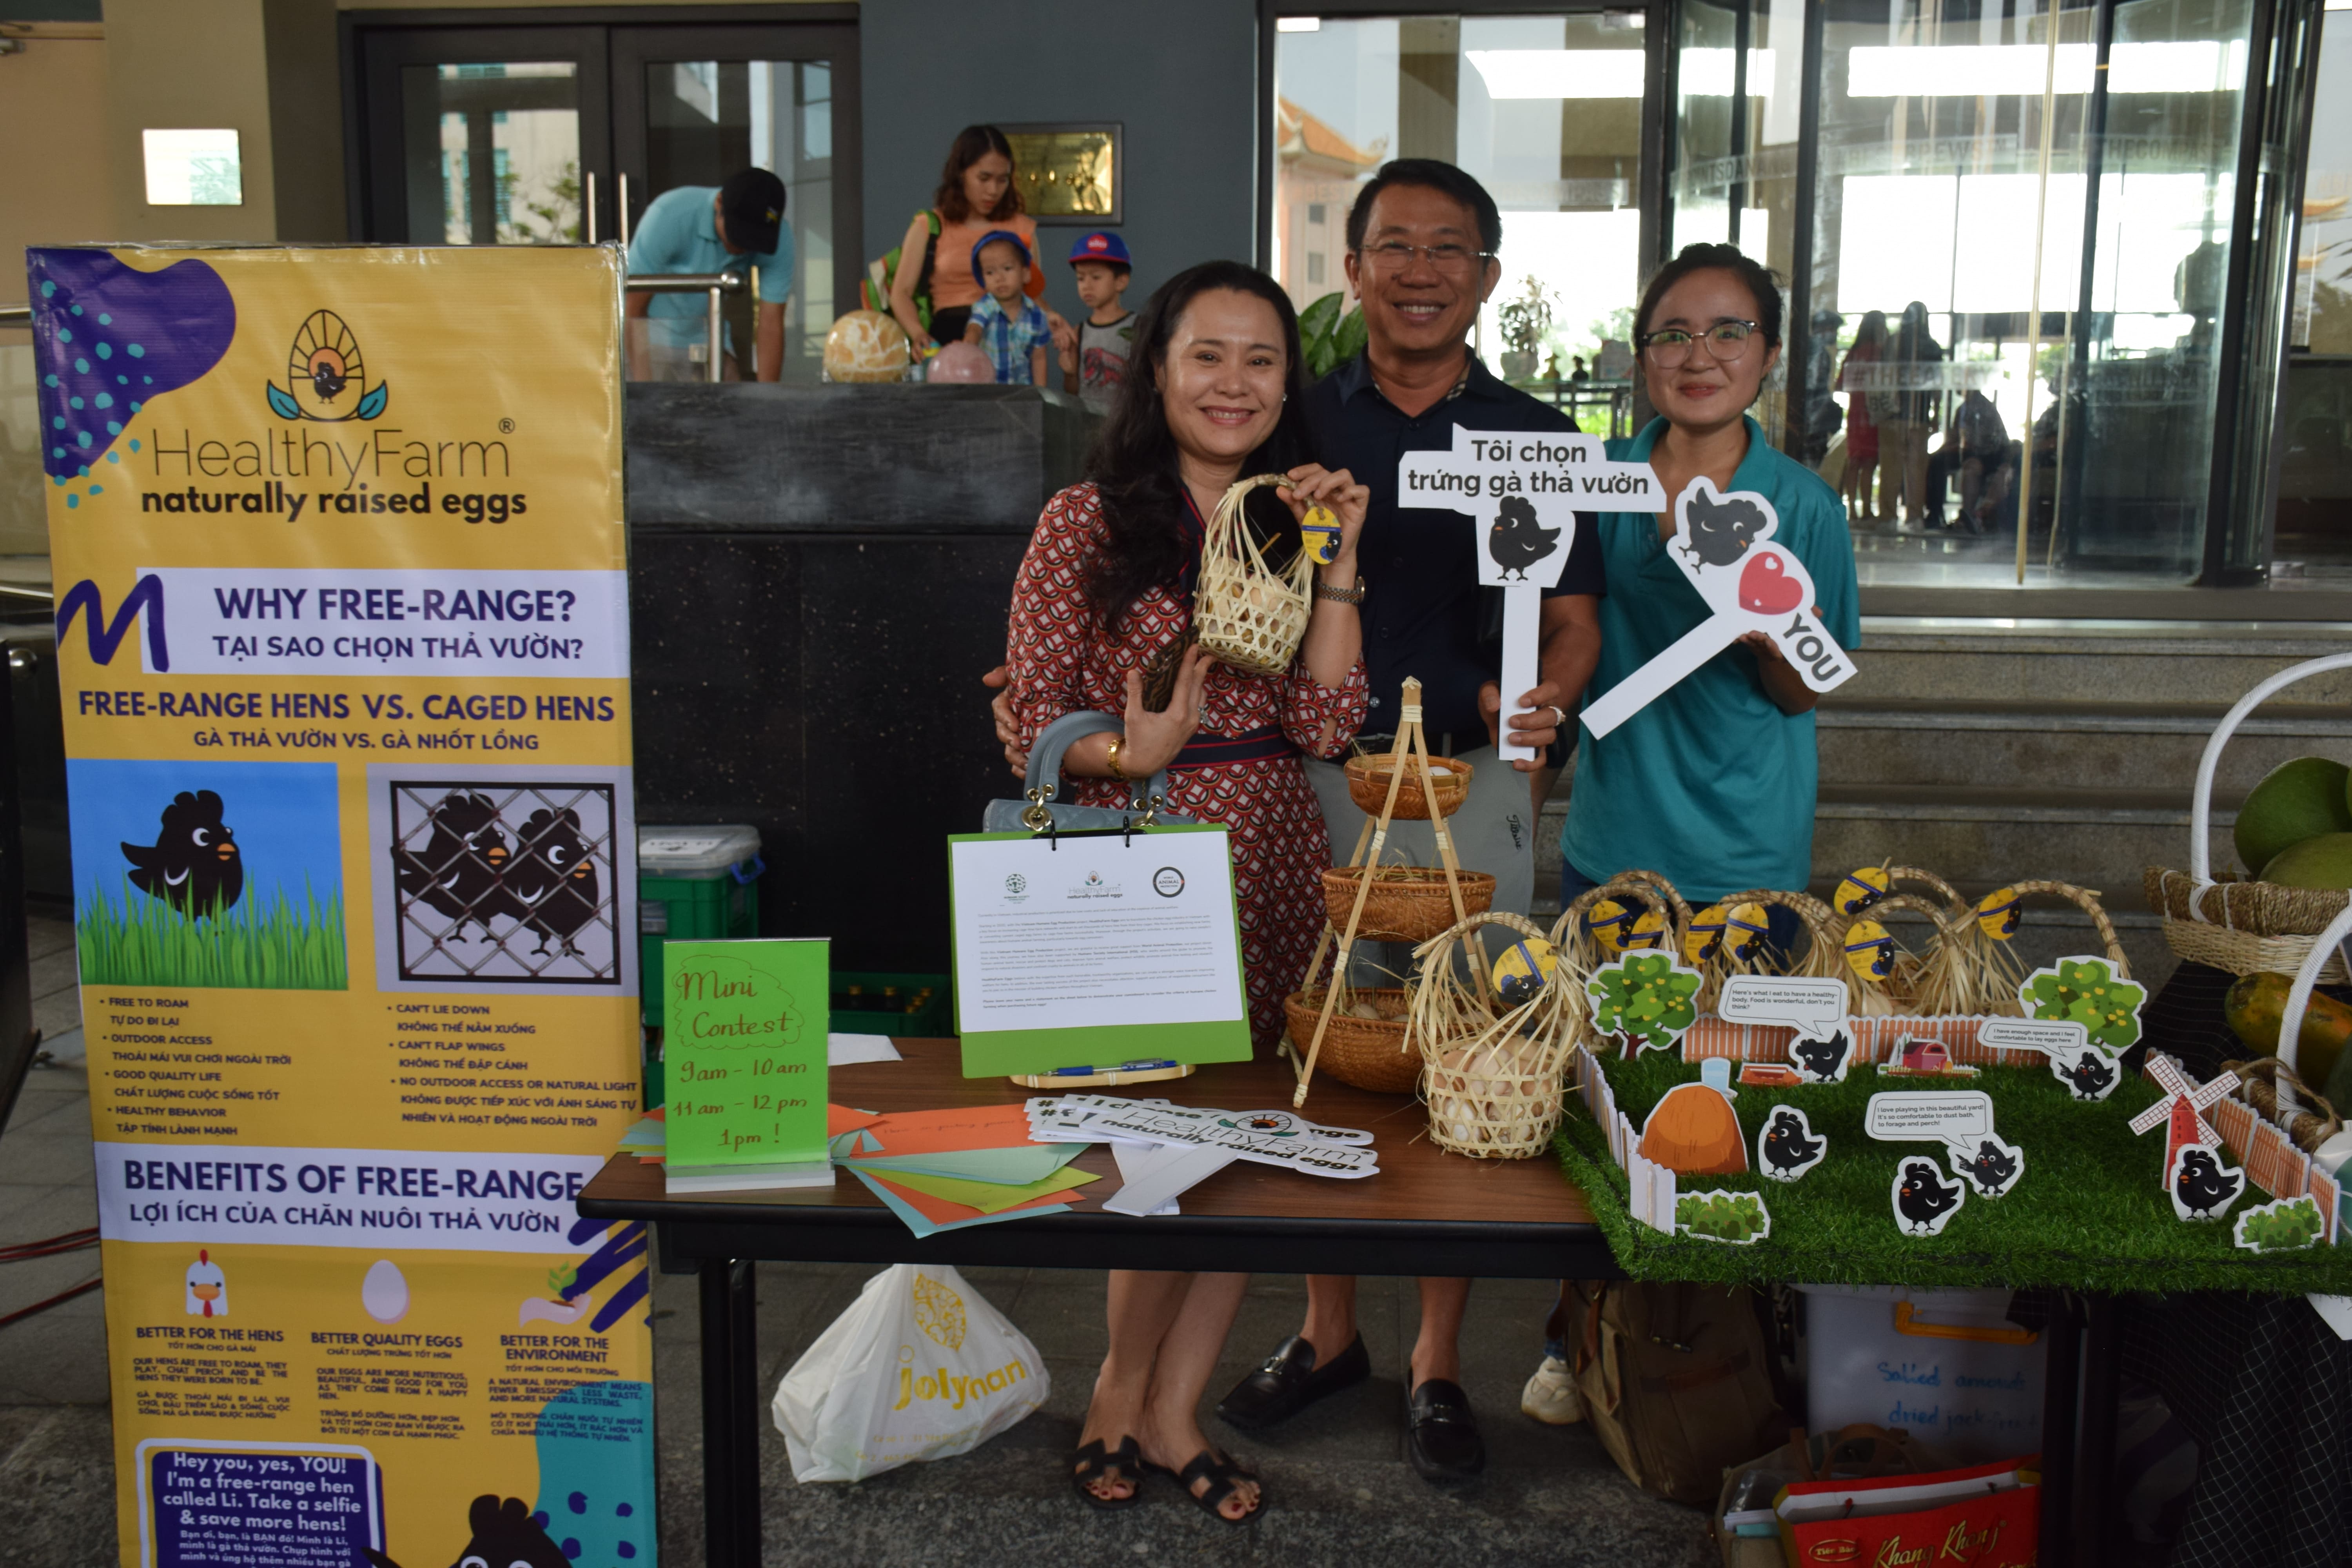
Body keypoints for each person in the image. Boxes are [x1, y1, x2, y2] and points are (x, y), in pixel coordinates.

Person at [1212, 159, 1603, 1489]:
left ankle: (1437, 1358)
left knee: (1469, 1050)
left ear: (1487, 276)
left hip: (1474, 782)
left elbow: (1574, 617)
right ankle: (1327, 1330)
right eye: (1396, 246)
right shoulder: (1299, 418)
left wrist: (1548, 696)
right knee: (1320, 1040)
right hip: (1315, 768)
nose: (1420, 271)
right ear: (1355, 268)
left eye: (1449, 249)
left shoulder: (1539, 434)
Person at [1003, 260, 1371, 1521]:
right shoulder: (1085, 521)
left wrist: (1338, 561)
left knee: (1241, 1152)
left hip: (1270, 856)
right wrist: (1132, 752)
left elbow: (1326, 724)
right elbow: (1033, 720)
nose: (1233, 383)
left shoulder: (1291, 516)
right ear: (1156, 370)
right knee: (1152, 1146)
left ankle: (1176, 1410)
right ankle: (1118, 1392)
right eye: (1206, 355)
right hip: (1141, 852)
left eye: (1260, 360)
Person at [1523, 242, 1860, 1419]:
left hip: (1749, 848)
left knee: (1734, 1096)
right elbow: (1548, 617)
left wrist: (1760, 623)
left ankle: (1732, 1339)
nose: (1698, 354)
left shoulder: (1804, 504)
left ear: (1766, 356)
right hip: (1614, 836)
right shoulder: (1597, 479)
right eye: (1672, 332)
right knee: (1597, 1092)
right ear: (1640, 356)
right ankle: (1578, 1333)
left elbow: (1804, 689)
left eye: (1727, 332)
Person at [886, 125, 1055, 353]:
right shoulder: (930, 226)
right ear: (961, 174)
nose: (993, 190)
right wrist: (918, 334)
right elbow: (901, 293)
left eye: (1002, 180)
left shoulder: (1022, 228)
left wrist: (1054, 320)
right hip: (948, 341)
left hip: (1006, 342)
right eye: (984, 178)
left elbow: (1032, 295)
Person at [624, 168, 791, 381]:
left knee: (732, 395)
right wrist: (643, 386)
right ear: (719, 203)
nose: (743, 247)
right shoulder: (669, 215)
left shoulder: (779, 239)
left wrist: (769, 397)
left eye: (754, 240)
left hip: (712, 336)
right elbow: (633, 308)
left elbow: (771, 322)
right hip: (652, 340)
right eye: (738, 233)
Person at [1882, 301, 1944, 529]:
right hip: (1917, 416)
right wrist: (1936, 414)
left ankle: (1888, 517)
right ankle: (1914, 516)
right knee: (1916, 469)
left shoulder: (1894, 343)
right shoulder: (1931, 347)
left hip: (1895, 415)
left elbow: (1883, 377)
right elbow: (1937, 385)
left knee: (1892, 467)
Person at [1061, 231, 1138, 413]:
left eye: (1096, 277)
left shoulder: (1138, 327)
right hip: (1087, 423)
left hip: (1127, 422)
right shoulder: (1079, 332)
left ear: (1121, 282)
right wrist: (1069, 373)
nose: (1086, 285)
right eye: (1081, 278)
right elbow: (1073, 392)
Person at [965, 232, 1054, 385]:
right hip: (989, 391)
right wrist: (968, 345)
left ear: (1025, 274)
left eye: (1007, 269)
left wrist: (1041, 392)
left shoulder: (1037, 316)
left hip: (1022, 392)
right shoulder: (985, 307)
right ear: (983, 281)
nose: (999, 278)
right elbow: (975, 329)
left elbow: (1039, 358)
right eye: (990, 272)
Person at [1925, 388, 2013, 535]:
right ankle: (1935, 514)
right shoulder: (1962, 409)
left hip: (1990, 456)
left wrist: (1958, 449)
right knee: (1937, 461)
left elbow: (1979, 443)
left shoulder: (1983, 408)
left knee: (1971, 467)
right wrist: (1940, 452)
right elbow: (1955, 438)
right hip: (1969, 453)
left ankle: (1969, 516)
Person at [1835, 310, 1888, 524]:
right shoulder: (1880, 353)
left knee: (1855, 462)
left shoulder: (1854, 353)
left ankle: (1852, 512)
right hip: (1874, 414)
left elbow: (1840, 384)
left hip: (1856, 415)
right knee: (1869, 463)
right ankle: (1866, 510)